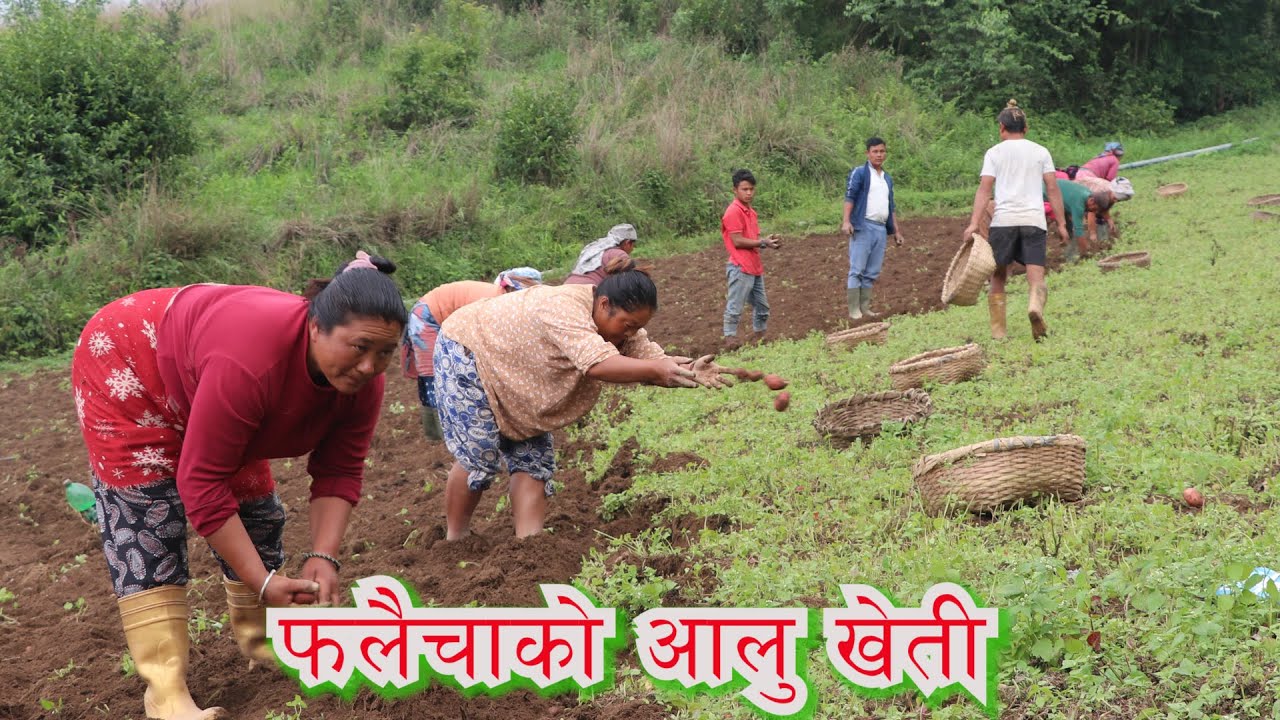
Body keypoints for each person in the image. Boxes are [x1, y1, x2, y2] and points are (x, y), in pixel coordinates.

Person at [71, 251, 406, 720]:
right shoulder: (253, 362)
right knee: (150, 523)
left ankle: (263, 643)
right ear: (314, 326)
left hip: (205, 376)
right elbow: (202, 482)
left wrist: (323, 555)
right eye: (359, 347)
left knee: (258, 512)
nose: (371, 366)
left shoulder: (362, 383)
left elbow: (340, 468)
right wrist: (261, 580)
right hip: (131, 360)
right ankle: (165, 692)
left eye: (385, 352)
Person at [434, 268, 732, 540]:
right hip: (467, 349)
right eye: (627, 325)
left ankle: (530, 545)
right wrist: (657, 370)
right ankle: (455, 540)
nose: (629, 333)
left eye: (636, 327)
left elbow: (646, 355)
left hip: (515, 372)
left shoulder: (618, 323)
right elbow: (597, 364)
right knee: (480, 450)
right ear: (604, 305)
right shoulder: (564, 307)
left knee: (533, 458)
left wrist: (686, 369)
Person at [962, 100, 1068, 342]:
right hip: (1034, 220)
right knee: (1036, 276)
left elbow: (984, 189)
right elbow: (1052, 188)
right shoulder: (1041, 151)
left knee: (998, 276)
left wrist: (973, 223)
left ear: (1002, 128)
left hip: (1003, 221)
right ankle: (1034, 306)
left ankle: (999, 333)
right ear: (1025, 128)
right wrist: (1061, 224)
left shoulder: (994, 153)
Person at [401, 268, 543, 441]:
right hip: (427, 318)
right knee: (434, 377)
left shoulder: (501, 299)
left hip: (441, 317)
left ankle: (455, 426)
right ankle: (441, 434)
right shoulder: (495, 301)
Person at [840, 136, 906, 320]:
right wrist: (847, 221)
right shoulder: (860, 173)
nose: (879, 155)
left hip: (880, 228)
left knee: (872, 271)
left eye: (882, 151)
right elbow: (850, 197)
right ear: (867, 153)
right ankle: (854, 311)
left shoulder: (887, 178)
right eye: (875, 151)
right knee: (857, 269)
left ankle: (865, 308)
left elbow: (890, 205)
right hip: (863, 226)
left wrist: (896, 231)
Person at [722, 169, 781, 347]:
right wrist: (763, 242)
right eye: (744, 189)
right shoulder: (733, 212)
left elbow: (753, 239)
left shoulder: (750, 212)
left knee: (763, 307)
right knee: (735, 306)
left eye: (751, 189)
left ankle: (760, 337)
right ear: (735, 190)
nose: (748, 193)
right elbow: (737, 241)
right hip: (740, 266)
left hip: (754, 266)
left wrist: (767, 241)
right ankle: (730, 339)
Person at [1048, 179, 1114, 262]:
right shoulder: (1078, 205)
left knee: (1067, 226)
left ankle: (1065, 247)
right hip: (1043, 192)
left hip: (1057, 192)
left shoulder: (1088, 194)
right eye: (1095, 209)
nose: (1095, 212)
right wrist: (1085, 253)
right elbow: (1078, 231)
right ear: (1092, 201)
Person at [565, 224, 638, 285]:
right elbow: (628, 284)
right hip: (589, 289)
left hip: (567, 284)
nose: (633, 248)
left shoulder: (592, 249)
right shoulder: (620, 254)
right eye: (633, 245)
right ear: (627, 243)